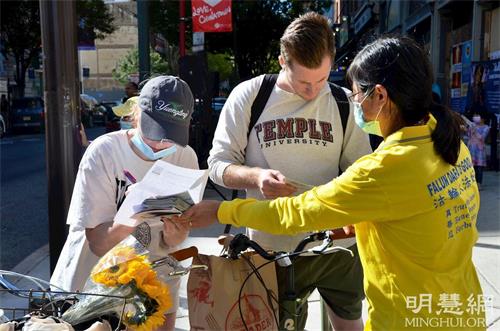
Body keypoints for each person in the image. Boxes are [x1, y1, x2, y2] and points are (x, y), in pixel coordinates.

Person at [184, 37, 486, 330]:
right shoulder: (448, 142)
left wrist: (223, 211)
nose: (352, 102)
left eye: (356, 95)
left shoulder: (385, 169)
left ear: (379, 96)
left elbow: (292, 214)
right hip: (460, 309)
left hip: (408, 318)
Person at [207, 12, 371, 331]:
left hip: (338, 245)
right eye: (303, 82)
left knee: (351, 324)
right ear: (283, 60)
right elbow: (216, 165)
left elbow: (361, 170)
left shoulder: (343, 102)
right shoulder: (251, 96)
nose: (312, 91)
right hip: (274, 249)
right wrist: (256, 177)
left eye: (321, 80)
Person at [51, 76, 198, 330]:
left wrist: (177, 235)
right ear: (137, 112)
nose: (160, 143)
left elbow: (172, 240)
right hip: (92, 288)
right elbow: (97, 243)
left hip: (155, 284)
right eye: (155, 131)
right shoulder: (104, 151)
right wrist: (132, 213)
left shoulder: (185, 155)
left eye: (170, 136)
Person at [464, 113, 490, 188]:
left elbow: (482, 137)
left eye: (478, 116)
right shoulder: (472, 126)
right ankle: (473, 183)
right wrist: (466, 129)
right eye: (475, 116)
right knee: (472, 167)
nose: (475, 117)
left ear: (483, 118)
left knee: (479, 167)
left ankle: (479, 183)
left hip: (480, 150)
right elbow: (468, 135)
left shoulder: (486, 127)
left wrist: (475, 130)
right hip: (471, 148)